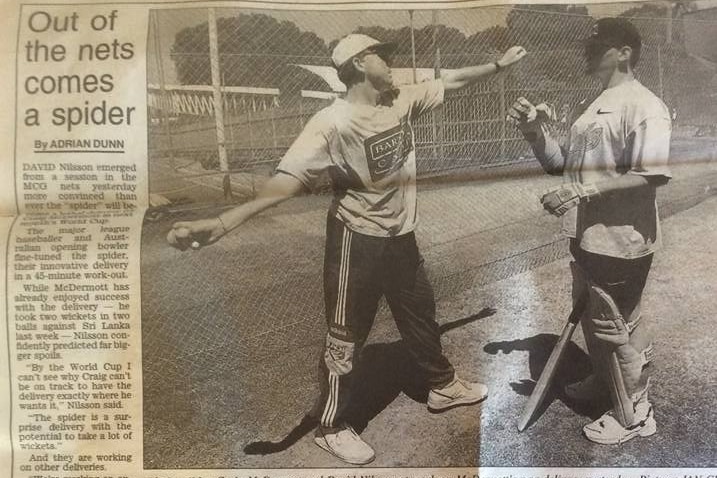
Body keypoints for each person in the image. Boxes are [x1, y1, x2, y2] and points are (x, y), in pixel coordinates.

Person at [168, 33, 526, 464]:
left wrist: (499, 65)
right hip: (355, 241)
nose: (391, 59)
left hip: (400, 237)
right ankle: (331, 425)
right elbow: (286, 182)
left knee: (421, 314)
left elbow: (451, 81)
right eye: (382, 53)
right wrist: (224, 222)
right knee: (345, 337)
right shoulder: (330, 122)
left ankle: (441, 386)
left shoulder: (400, 99)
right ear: (357, 64)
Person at [507, 18, 671, 444]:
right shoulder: (596, 102)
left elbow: (650, 174)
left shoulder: (644, 104)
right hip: (588, 235)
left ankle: (634, 414)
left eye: (601, 45)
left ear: (625, 52)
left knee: (614, 327)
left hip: (622, 240)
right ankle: (607, 383)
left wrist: (580, 190)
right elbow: (560, 165)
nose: (589, 51)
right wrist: (534, 132)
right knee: (600, 322)